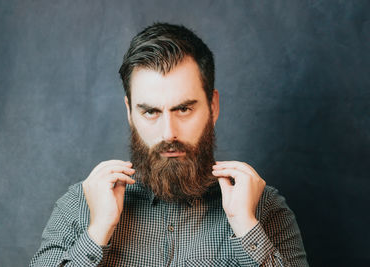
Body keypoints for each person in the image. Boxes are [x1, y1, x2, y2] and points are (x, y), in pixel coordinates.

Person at [30, 22, 308, 266]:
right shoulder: (80, 206)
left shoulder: (264, 208)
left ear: (213, 107)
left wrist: (247, 227)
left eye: (184, 109)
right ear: (130, 112)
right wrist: (98, 230)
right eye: (150, 112)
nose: (168, 133)